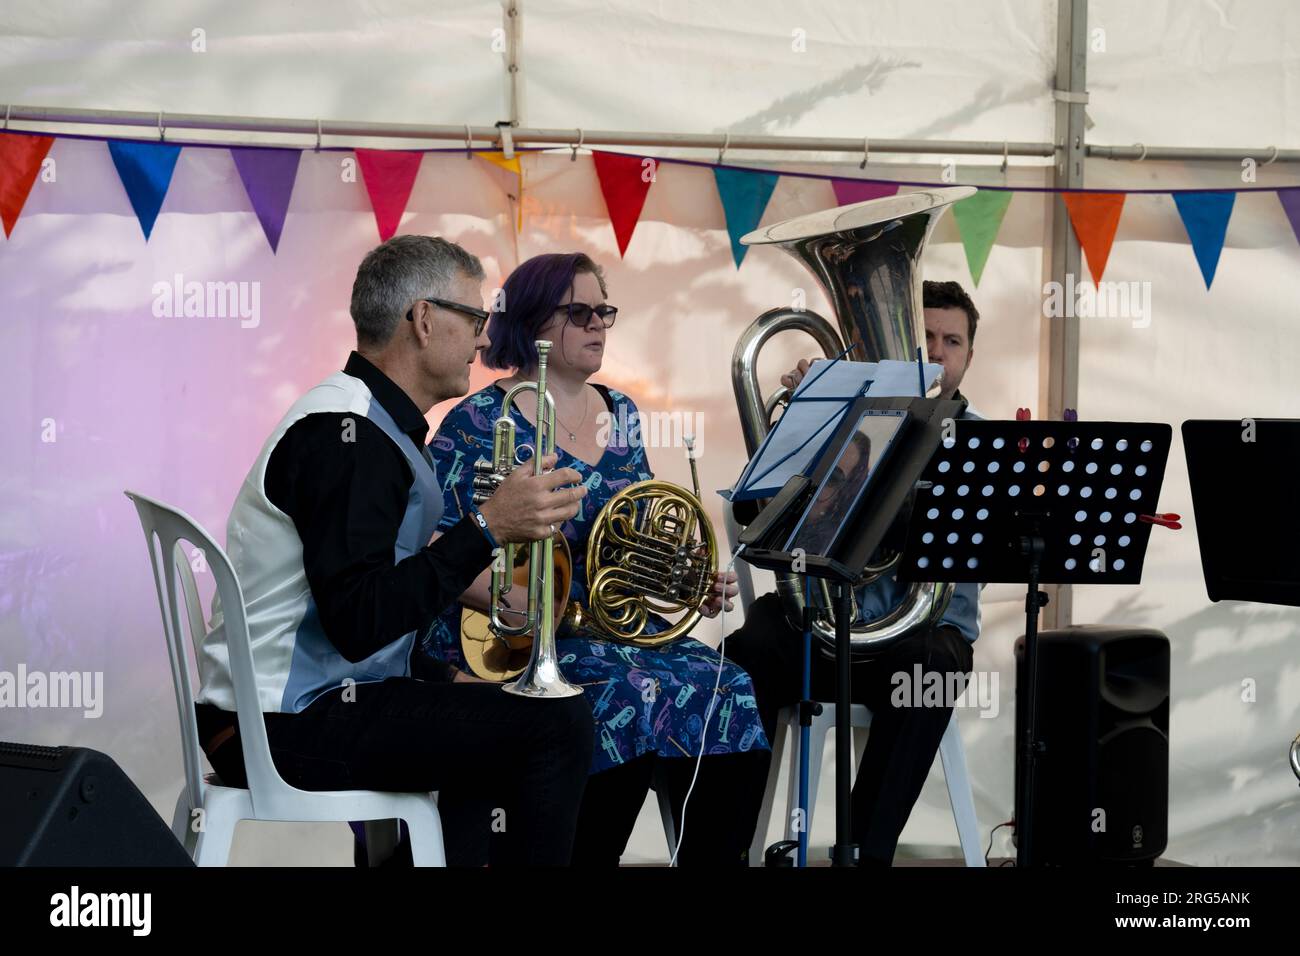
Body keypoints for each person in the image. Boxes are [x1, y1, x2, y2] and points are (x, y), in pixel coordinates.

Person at [191, 235, 594, 866]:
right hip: (281, 725)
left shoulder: (360, 421)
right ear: (425, 320)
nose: (486, 340)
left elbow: (362, 593)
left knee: (497, 714)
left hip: (282, 709)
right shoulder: (349, 437)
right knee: (554, 727)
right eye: (476, 320)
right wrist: (487, 528)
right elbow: (357, 621)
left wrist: (445, 671)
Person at [423, 251, 769, 866]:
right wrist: (514, 601)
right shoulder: (477, 420)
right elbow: (437, 550)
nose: (597, 325)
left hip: (611, 624)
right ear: (530, 321)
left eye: (603, 311)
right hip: (519, 631)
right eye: (578, 311)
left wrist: (686, 577)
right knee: (628, 694)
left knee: (731, 687)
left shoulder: (623, 413)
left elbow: (637, 531)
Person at [723, 278, 985, 865]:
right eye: (928, 338)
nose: (938, 352)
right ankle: (722, 848)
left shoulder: (981, 442)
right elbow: (755, 512)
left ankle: (865, 855)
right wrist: (808, 424)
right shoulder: (840, 419)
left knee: (934, 667)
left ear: (970, 356)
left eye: (953, 341)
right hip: (819, 631)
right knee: (745, 653)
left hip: (918, 637)